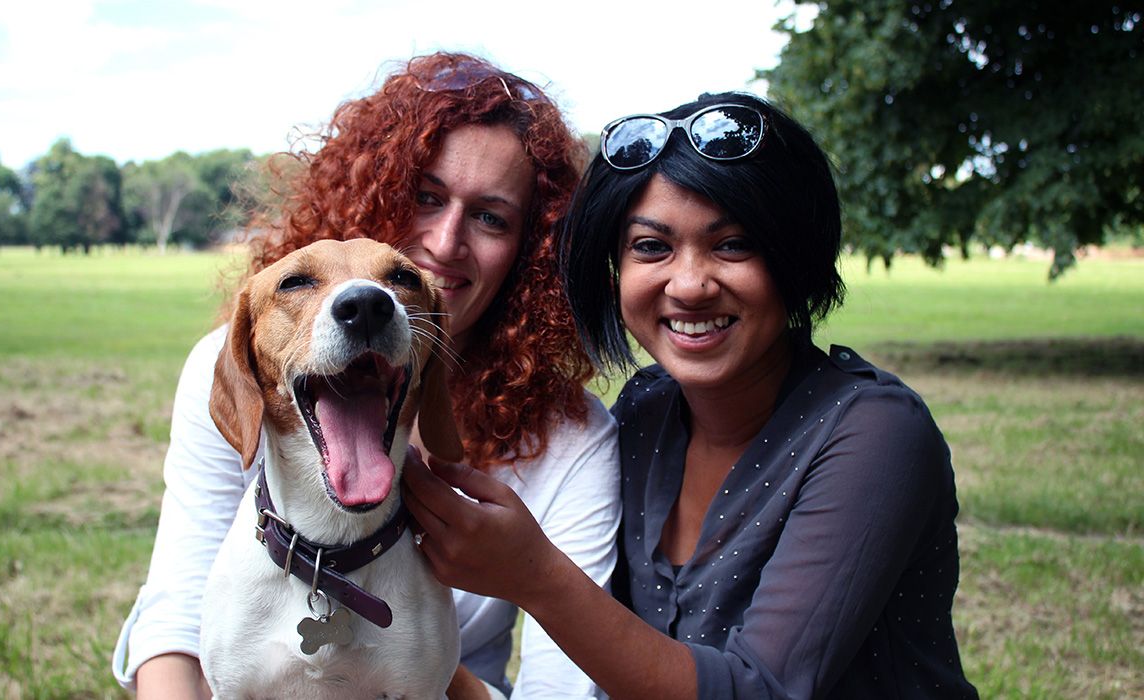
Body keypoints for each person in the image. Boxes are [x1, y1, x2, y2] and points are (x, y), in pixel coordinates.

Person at [403, 93, 980, 698]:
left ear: (794, 256)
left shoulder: (876, 433)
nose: (690, 284)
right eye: (651, 246)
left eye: (732, 245)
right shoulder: (645, 414)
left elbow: (761, 689)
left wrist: (536, 576)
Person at [112, 52, 621, 699]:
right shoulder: (236, 361)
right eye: (425, 196)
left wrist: (520, 579)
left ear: (532, 249)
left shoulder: (576, 440)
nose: (444, 241)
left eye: (492, 216)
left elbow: (558, 691)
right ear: (374, 187)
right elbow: (176, 622)